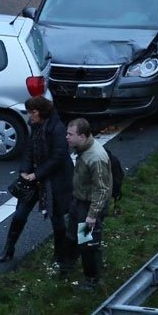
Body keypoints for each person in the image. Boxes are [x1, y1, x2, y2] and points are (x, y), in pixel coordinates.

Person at [0, 97, 74, 273]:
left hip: (55, 180)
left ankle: (59, 255)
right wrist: (24, 170)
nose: (29, 116)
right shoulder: (37, 127)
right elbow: (29, 149)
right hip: (35, 178)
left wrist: (35, 174)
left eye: (32, 112)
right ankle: (9, 249)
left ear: (39, 112)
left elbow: (58, 156)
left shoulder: (57, 129)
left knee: (57, 219)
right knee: (19, 215)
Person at [65, 118, 113, 291]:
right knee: (72, 234)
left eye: (70, 134)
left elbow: (101, 189)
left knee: (87, 243)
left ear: (82, 136)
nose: (67, 137)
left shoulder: (96, 157)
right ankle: (67, 265)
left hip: (88, 207)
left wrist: (92, 215)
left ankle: (92, 280)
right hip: (79, 201)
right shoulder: (82, 148)